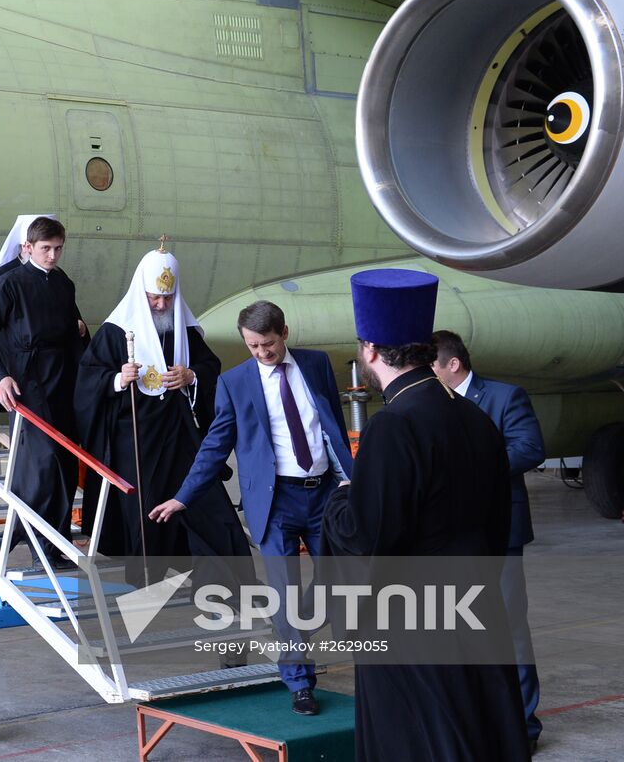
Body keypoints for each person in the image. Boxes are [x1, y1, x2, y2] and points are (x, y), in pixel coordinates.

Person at [323, 269, 528, 762]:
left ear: (369, 349)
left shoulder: (392, 425)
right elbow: (499, 519)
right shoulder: (476, 417)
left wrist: (337, 502)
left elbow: (370, 535)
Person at [153, 300, 353, 715]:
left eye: (268, 344)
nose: (262, 353)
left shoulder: (316, 365)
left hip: (325, 496)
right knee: (283, 592)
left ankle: (298, 630)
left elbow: (331, 424)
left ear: (284, 333)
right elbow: (215, 445)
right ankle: (300, 683)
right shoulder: (236, 382)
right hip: (275, 500)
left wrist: (349, 478)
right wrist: (183, 495)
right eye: (253, 346)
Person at [74, 247, 250, 574]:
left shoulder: (183, 328)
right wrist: (116, 379)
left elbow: (209, 365)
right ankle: (146, 581)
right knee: (145, 513)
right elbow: (88, 380)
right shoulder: (116, 330)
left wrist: (191, 375)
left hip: (180, 433)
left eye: (168, 299)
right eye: (155, 298)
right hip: (135, 439)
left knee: (204, 502)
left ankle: (221, 581)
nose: (161, 305)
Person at [432, 329, 546, 752]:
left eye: (431, 367)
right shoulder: (435, 406)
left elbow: (530, 448)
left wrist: (470, 468)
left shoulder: (503, 396)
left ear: (452, 365)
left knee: (510, 628)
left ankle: (524, 725)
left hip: (500, 530)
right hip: (454, 535)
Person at [0, 217, 88, 559]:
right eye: (45, 249)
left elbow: (71, 327)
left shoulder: (63, 283)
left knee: (67, 463)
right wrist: (1, 378)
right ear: (28, 248)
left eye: (57, 249)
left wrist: (79, 331)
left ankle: (56, 542)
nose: (52, 256)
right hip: (27, 381)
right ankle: (31, 534)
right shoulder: (10, 283)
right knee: (44, 462)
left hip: (63, 377)